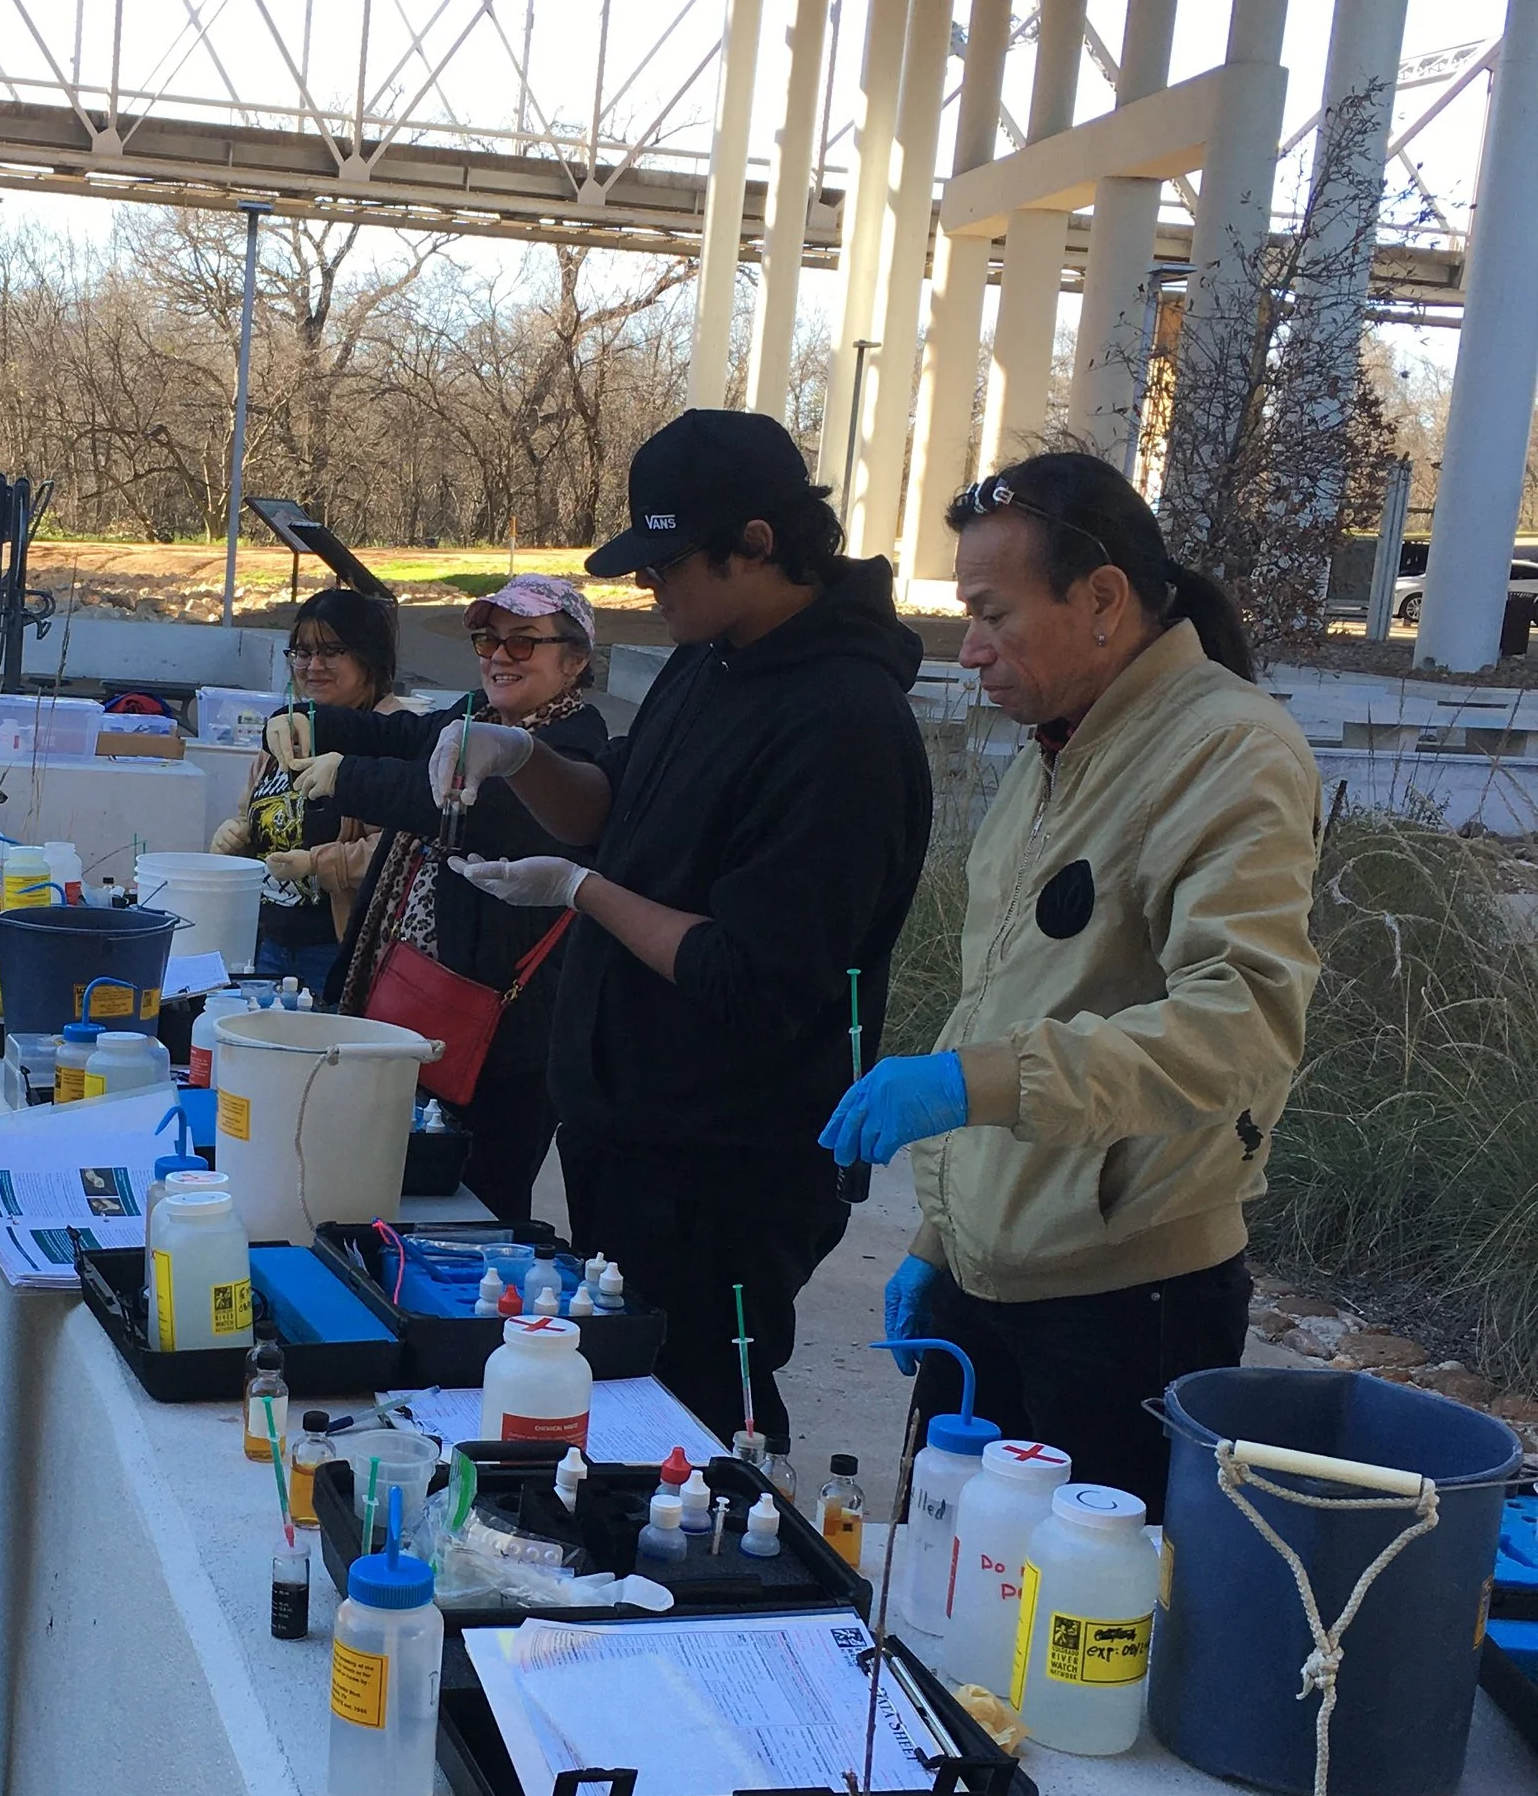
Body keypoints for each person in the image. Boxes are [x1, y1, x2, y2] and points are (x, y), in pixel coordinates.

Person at [821, 451, 1321, 1518]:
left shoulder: (1228, 750)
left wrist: (970, 1083)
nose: (972, 649)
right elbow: (1004, 996)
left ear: (1101, 599)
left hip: (1124, 1298)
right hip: (989, 1276)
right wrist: (940, 1236)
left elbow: (1242, 1025)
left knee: (1075, 1605)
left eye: (994, 614)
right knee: (951, 1576)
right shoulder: (1054, 747)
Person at [430, 413, 932, 1452]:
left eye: (665, 562)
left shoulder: (843, 722)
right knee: (624, 1408)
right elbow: (612, 806)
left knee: (706, 1421)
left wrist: (580, 893)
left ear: (756, 542)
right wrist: (519, 759)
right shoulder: (707, 660)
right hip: (625, 1130)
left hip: (729, 1165)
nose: (648, 585)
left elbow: (751, 974)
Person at [270, 574, 609, 1228]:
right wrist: (307, 720)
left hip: (503, 1038)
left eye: (523, 641)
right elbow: (405, 736)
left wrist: (346, 775)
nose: (499, 656)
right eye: (489, 641)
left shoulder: (574, 750)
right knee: (395, 1195)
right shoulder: (475, 714)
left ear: (574, 660)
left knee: (478, 1208)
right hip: (417, 1005)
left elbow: (455, 802)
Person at [212, 587, 399, 993]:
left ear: (369, 657)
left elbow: (398, 851)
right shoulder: (289, 729)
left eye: (331, 651)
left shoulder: (394, 737)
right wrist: (235, 837)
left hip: (338, 950)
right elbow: (254, 813)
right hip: (269, 942)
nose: (313, 665)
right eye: (302, 652)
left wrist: (318, 863)